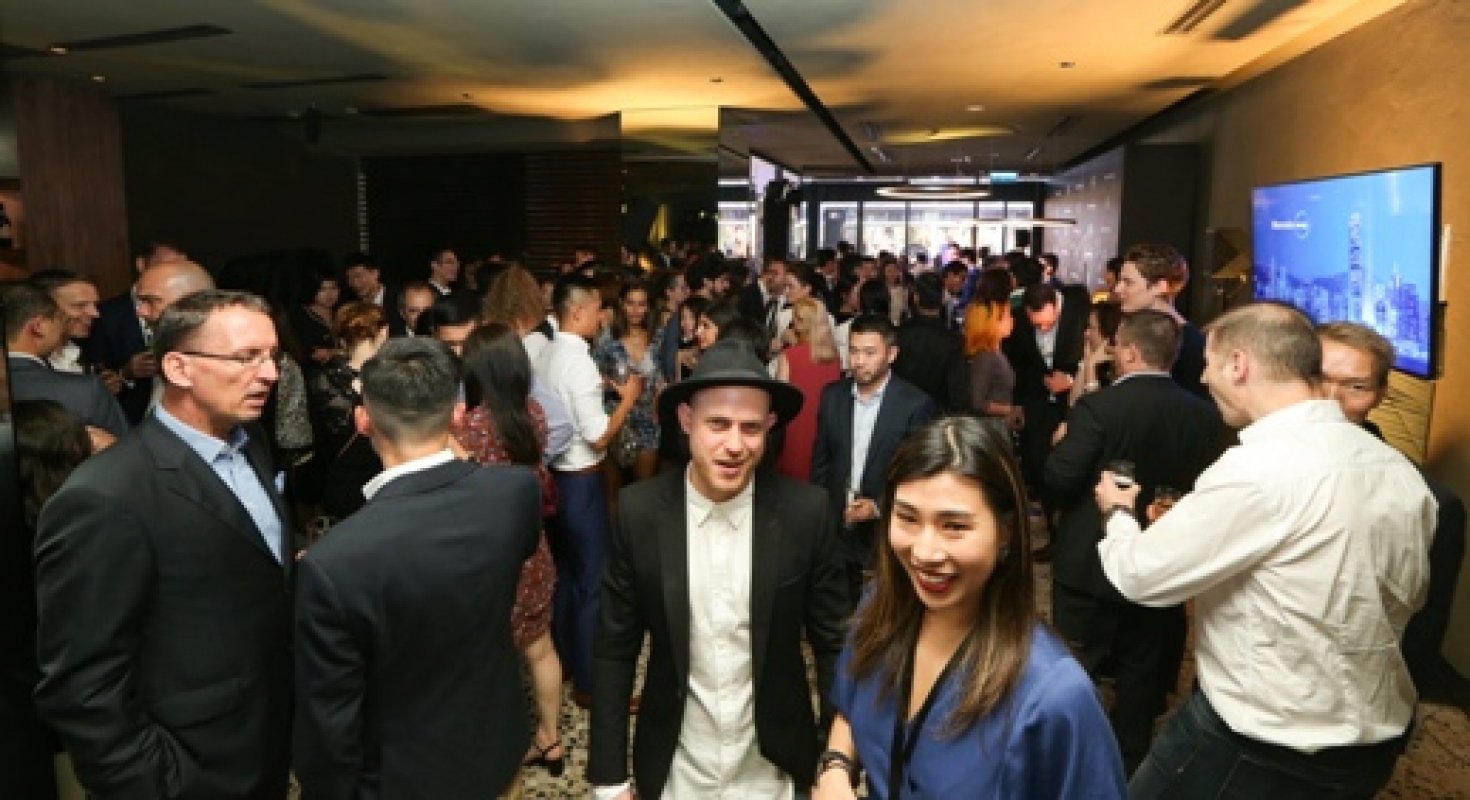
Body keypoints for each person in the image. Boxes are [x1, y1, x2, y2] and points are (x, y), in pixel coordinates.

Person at [1094, 303, 1436, 799]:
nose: (1203, 378)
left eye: (1208, 364)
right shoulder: (1400, 473)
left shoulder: (1256, 469)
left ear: (1238, 364)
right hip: (1370, 743)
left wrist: (1117, 513)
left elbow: (1139, 576)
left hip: (1259, 743)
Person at [35, 290, 294, 799]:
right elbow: (81, 684)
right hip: (188, 769)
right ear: (178, 368)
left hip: (263, 745)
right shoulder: (106, 496)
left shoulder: (251, 444)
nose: (269, 374)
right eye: (246, 357)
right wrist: (152, 782)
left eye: (272, 357)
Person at [589, 339, 848, 799]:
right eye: (718, 424)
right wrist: (610, 778)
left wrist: (834, 763)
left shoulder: (805, 513)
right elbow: (615, 648)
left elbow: (835, 646)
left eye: (751, 428)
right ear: (686, 420)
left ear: (770, 427)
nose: (734, 445)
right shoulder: (639, 512)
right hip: (677, 766)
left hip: (774, 769)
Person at [815, 416, 1126, 799]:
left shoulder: (1055, 697)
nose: (925, 552)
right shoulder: (879, 609)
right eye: (907, 518)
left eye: (954, 527)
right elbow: (851, 704)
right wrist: (836, 766)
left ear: (1006, 531)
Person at [294, 337, 541, 799]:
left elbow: (329, 723)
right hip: (496, 748)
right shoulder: (515, 492)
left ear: (363, 421)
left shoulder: (335, 562)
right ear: (458, 416)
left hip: (404, 779)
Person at [1044, 310, 1228, 775]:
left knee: (1073, 668)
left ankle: (1070, 762)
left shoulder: (1098, 408)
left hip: (1088, 563)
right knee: (1140, 672)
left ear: (1127, 351)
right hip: (1162, 564)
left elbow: (1059, 479)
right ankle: (1130, 767)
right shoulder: (1204, 415)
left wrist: (1059, 444)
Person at [1317, 321, 1466, 691]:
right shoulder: (1254, 459)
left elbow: (1421, 636)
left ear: (1380, 395)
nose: (1331, 399)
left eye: (1356, 387)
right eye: (1318, 378)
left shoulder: (1431, 503)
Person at [453, 323, 566, 776]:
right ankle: (551, 738)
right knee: (541, 649)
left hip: (487, 558)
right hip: (532, 548)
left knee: (491, 659)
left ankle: (497, 747)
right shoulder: (533, 414)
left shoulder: (471, 426)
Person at [533, 274, 644, 707]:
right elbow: (598, 437)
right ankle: (591, 683)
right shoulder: (578, 360)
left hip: (555, 477)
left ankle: (562, 662)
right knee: (593, 582)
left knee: (567, 576)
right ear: (578, 311)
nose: (604, 317)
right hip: (581, 481)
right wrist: (629, 398)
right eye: (599, 309)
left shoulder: (548, 352)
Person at [812, 314, 939, 609]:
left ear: (891, 354)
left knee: (884, 609)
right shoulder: (833, 396)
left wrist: (879, 506)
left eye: (869, 353)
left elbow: (918, 475)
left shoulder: (914, 404)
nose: (858, 361)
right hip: (838, 524)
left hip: (886, 529)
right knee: (837, 607)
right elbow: (821, 461)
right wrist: (822, 513)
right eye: (853, 351)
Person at [4, 283, 130, 447]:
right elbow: (126, 451)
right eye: (58, 318)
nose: (62, 325)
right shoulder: (86, 390)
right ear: (37, 327)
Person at [1002, 282, 1089, 516]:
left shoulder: (1079, 313)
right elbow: (1018, 364)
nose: (1043, 329)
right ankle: (1046, 507)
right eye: (1037, 325)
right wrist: (1017, 403)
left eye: (1048, 323)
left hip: (1071, 400)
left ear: (1056, 306)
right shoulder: (1018, 319)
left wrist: (1071, 380)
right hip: (1036, 397)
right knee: (1036, 454)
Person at [81, 241, 189, 424]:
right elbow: (89, 376)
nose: (170, 274)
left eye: (180, 268)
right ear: (141, 264)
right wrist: (125, 373)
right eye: (163, 266)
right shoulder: (103, 315)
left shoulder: (197, 316)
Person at [307, 302, 388, 522]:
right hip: (382, 477)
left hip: (339, 477)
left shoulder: (321, 379)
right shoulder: (391, 378)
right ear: (382, 332)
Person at [592, 281, 664, 482]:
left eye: (641, 304)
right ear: (622, 304)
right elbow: (593, 378)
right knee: (612, 490)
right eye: (630, 303)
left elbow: (663, 376)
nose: (635, 310)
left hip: (648, 420)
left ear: (648, 307)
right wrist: (614, 386)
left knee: (644, 488)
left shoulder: (658, 336)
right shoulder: (607, 339)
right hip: (616, 418)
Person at [1112, 243, 1206, 396]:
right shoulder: (1136, 331)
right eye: (1119, 281)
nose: (1117, 289)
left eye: (1128, 282)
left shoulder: (1190, 345)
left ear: (1160, 286)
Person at [774, 296, 842, 481]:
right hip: (825, 425)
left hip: (796, 426)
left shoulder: (790, 355)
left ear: (799, 322)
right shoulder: (835, 358)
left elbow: (781, 397)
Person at [892, 272, 969, 412]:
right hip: (938, 416)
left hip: (902, 412)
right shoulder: (953, 341)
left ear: (916, 298)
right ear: (942, 299)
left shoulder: (899, 334)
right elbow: (958, 393)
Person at [962, 293, 1017, 442]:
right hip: (990, 431)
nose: (1012, 320)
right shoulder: (985, 357)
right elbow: (977, 401)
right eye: (1006, 317)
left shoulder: (996, 352)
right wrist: (1009, 409)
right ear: (992, 323)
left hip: (998, 427)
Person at [1066, 299, 1124, 407]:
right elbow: (1074, 403)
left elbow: (1095, 409)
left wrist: (1091, 365)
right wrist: (1086, 362)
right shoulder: (1097, 362)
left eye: (1091, 327)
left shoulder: (1121, 366)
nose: (1086, 333)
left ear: (1107, 332)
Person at [291, 266, 342, 369]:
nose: (330, 294)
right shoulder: (301, 317)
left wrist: (334, 352)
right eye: (322, 289)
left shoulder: (343, 311)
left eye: (333, 288)